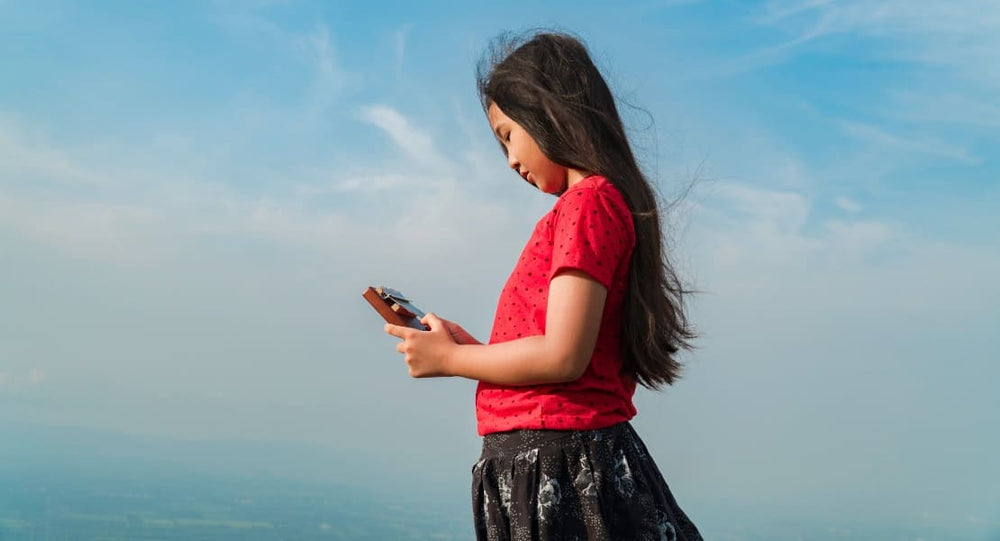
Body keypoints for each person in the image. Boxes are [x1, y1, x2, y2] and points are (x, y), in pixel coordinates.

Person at [384, 31, 702, 541]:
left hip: (562, 468)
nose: (509, 159)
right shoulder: (588, 206)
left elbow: (562, 356)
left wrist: (450, 361)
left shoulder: (589, 204)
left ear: (549, 110)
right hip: (553, 461)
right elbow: (559, 356)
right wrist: (476, 352)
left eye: (508, 135)